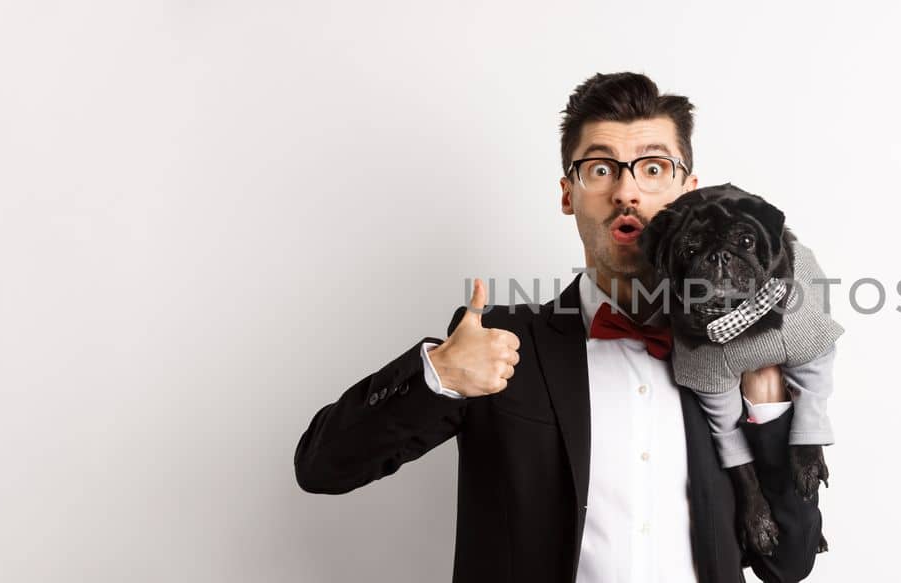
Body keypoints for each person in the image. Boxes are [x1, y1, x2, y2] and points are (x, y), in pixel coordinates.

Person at [293, 72, 823, 583]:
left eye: (654, 169)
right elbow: (323, 469)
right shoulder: (497, 343)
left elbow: (789, 564)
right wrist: (439, 373)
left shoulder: (737, 354)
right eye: (600, 170)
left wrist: (769, 404)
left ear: (688, 191)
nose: (626, 191)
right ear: (568, 193)